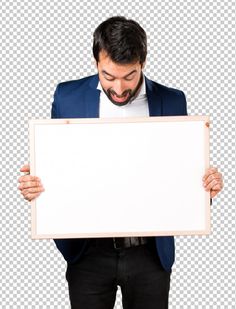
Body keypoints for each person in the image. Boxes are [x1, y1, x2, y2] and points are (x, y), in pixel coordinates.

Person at [18, 16, 223, 309]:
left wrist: (206, 189)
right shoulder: (67, 96)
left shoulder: (172, 101)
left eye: (129, 76)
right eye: (108, 76)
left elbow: (180, 175)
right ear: (95, 62)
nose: (118, 88)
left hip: (149, 253)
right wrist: (36, 187)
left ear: (143, 62)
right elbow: (59, 168)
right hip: (88, 252)